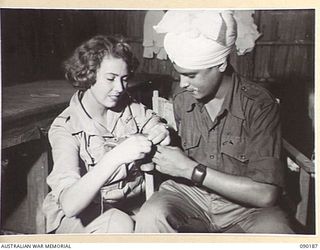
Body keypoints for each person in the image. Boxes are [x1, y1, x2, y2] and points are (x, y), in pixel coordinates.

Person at [135, 10, 294, 233]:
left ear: (220, 64)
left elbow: (265, 194)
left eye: (191, 75)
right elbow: (179, 153)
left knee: (276, 233)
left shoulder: (258, 104)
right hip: (190, 195)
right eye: (179, 74)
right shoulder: (183, 99)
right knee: (151, 215)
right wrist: (160, 144)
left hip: (246, 208)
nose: (182, 84)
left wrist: (191, 169)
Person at [42, 35, 170, 234]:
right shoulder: (65, 128)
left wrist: (161, 132)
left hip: (129, 206)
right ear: (88, 75)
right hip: (79, 217)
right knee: (119, 224)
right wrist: (116, 157)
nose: (119, 88)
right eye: (110, 79)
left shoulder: (129, 107)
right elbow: (70, 204)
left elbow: (156, 124)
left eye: (124, 79)